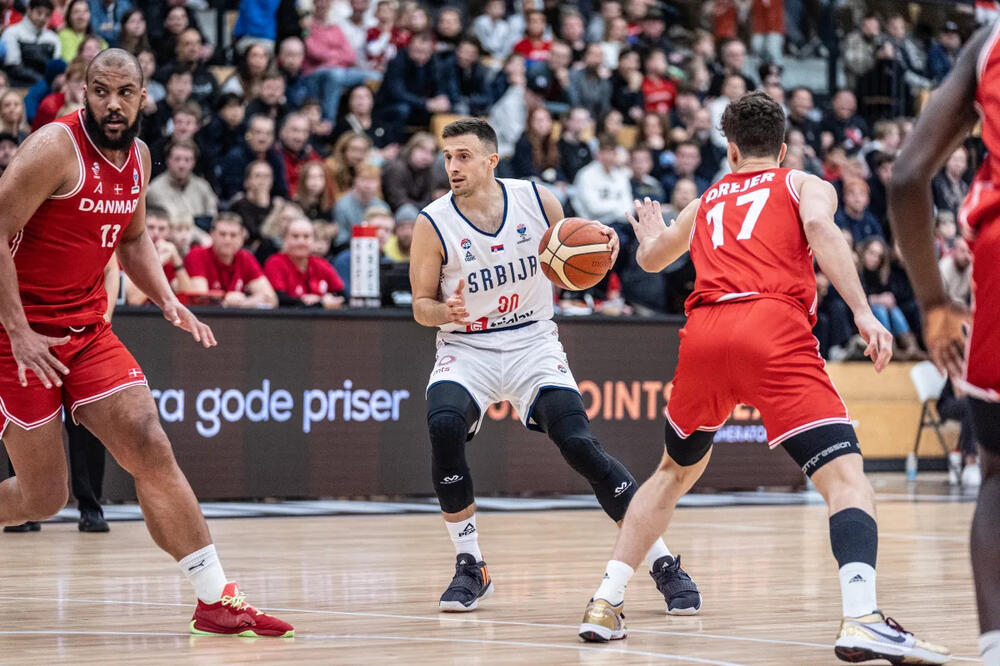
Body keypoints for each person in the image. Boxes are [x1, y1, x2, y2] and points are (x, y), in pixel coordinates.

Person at [577, 92, 949, 665]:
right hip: (772, 325)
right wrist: (863, 310)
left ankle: (606, 600)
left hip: (704, 332)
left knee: (673, 471)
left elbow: (652, 261)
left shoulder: (705, 201)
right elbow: (823, 232)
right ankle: (862, 616)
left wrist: (650, 233)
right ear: (781, 147)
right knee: (846, 479)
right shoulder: (801, 184)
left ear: (729, 150)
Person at [0, 48, 292, 636]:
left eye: (124, 93)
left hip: (87, 331)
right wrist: (18, 330)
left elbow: (131, 240)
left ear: (142, 96)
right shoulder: (53, 148)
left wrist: (166, 298)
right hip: (20, 337)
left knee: (148, 440)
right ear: (84, 91)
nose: (113, 103)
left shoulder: (138, 157)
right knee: (43, 498)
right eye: (101, 91)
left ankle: (216, 599)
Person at [409, 118, 701, 614]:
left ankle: (662, 562)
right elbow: (420, 305)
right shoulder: (432, 222)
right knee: (442, 425)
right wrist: (444, 311)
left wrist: (603, 249)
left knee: (580, 445)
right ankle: (470, 564)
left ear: (490, 160)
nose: (453, 166)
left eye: (463, 156)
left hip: (532, 341)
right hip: (468, 347)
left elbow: (573, 255)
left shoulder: (537, 199)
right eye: (448, 156)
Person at [889, 23, 1000, 665]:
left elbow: (906, 178)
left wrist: (933, 302)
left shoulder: (990, 41)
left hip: (999, 254)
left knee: (999, 475)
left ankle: (992, 650)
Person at [184, 212, 278, 309]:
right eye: (222, 234)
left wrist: (244, 303)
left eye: (233, 235)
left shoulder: (245, 257)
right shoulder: (197, 255)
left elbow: (271, 299)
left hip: (237, 321)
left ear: (242, 237)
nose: (227, 240)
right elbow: (200, 299)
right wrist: (227, 301)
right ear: (212, 235)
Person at [263, 216, 344, 308]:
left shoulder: (322, 264)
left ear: (313, 240)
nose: (301, 242)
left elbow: (342, 295)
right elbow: (279, 299)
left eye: (306, 237)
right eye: (295, 236)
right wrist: (319, 303)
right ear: (285, 239)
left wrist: (327, 299)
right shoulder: (275, 263)